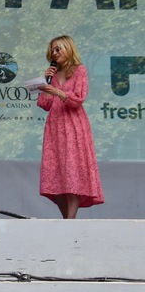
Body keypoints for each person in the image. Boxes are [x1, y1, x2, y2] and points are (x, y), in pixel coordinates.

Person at [37, 35, 104, 219]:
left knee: (72, 170)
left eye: (58, 49)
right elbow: (44, 104)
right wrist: (45, 83)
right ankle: (67, 220)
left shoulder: (79, 71)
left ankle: (71, 219)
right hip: (55, 126)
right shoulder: (51, 74)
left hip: (73, 124)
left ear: (69, 49)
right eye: (53, 50)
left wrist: (57, 91)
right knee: (54, 173)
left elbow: (78, 99)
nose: (55, 53)